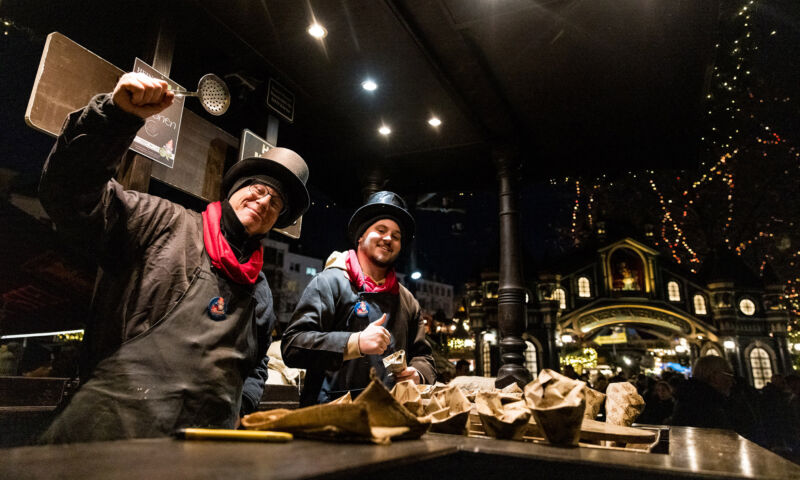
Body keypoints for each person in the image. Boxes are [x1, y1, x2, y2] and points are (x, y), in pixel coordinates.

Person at [37, 72, 310, 443]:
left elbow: (257, 364)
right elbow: (71, 196)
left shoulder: (260, 290)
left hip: (205, 453)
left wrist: (240, 407)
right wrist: (115, 117)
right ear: (234, 190)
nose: (263, 202)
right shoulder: (162, 222)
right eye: (258, 190)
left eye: (275, 203)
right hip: (108, 439)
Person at [281, 191, 436, 405]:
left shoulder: (407, 300)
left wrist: (418, 373)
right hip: (328, 419)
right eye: (380, 230)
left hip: (389, 417)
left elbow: (424, 357)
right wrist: (355, 343)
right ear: (361, 236)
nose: (388, 238)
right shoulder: (329, 282)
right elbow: (293, 346)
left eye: (396, 235)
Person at [670, 355, 735, 429]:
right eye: (729, 375)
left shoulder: (689, 397)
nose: (732, 381)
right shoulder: (707, 406)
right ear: (714, 377)